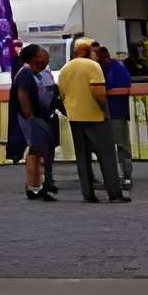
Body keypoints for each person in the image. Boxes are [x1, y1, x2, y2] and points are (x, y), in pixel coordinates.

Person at [57, 39, 127, 203]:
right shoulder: (93, 66)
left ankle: (88, 193)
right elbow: (98, 92)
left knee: (82, 157)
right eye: (95, 50)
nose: (97, 54)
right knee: (107, 156)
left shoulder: (65, 69)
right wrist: (105, 111)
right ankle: (114, 194)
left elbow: (61, 94)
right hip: (95, 117)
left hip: (75, 118)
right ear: (88, 51)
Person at [9, 44, 61, 202]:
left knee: (42, 151)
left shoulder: (38, 73)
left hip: (42, 117)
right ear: (33, 58)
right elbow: (23, 95)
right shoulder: (25, 73)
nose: (47, 58)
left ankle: (42, 183)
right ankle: (34, 186)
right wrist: (31, 117)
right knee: (36, 151)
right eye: (43, 55)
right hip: (33, 119)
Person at [99, 42, 134, 192]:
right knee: (115, 146)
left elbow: (116, 84)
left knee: (121, 145)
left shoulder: (115, 68)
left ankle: (126, 175)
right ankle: (117, 176)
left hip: (115, 111)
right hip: (110, 112)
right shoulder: (116, 67)